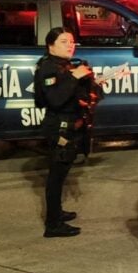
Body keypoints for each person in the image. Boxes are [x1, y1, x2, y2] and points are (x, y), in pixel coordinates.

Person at [33, 27, 101, 237]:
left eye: (71, 41)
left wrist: (93, 83)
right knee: (56, 176)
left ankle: (56, 213)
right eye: (64, 41)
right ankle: (53, 225)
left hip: (71, 125)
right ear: (50, 45)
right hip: (59, 128)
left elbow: (77, 94)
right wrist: (74, 78)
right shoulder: (48, 68)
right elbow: (53, 99)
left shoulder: (65, 65)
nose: (70, 45)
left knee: (61, 175)